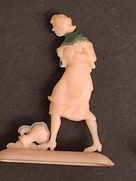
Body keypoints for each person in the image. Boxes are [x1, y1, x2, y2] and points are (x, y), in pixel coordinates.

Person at [40, 14, 102, 153]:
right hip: (69, 76)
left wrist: (74, 54)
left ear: (62, 26)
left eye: (55, 27)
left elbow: (92, 57)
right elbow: (64, 62)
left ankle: (96, 142)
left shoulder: (81, 40)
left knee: (83, 109)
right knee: (56, 104)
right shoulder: (66, 42)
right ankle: (52, 141)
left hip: (80, 77)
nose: (53, 30)